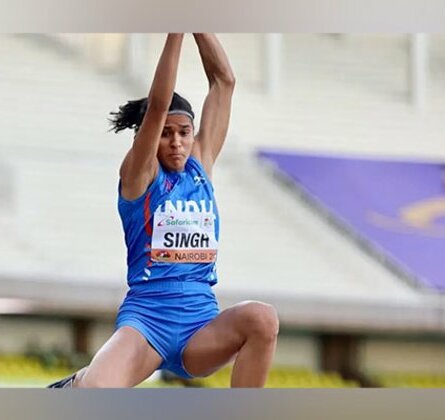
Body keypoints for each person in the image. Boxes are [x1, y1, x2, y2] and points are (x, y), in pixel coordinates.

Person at [49, 33, 278, 388]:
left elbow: (224, 81)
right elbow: (157, 106)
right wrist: (175, 31)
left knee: (262, 318)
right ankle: (77, 382)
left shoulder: (199, 165)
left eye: (184, 132)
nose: (176, 142)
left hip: (200, 325)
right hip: (147, 322)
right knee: (96, 391)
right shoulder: (139, 174)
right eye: (165, 133)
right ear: (148, 138)